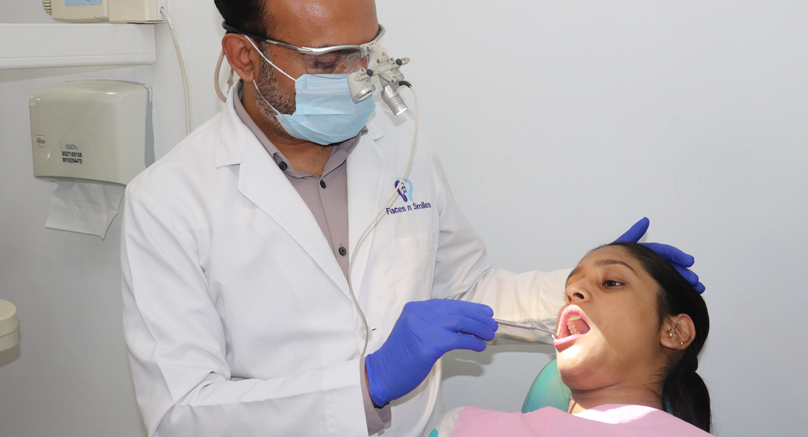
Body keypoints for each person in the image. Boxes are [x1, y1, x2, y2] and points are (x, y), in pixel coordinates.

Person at [120, 0, 703, 436]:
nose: (357, 75)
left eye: (365, 50)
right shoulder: (169, 202)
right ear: (245, 56)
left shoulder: (401, 148)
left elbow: (465, 287)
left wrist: (594, 291)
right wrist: (366, 385)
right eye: (328, 60)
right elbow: (181, 413)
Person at [434, 242, 711, 436]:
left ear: (675, 331)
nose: (573, 290)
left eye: (612, 282)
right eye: (568, 290)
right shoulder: (459, 429)